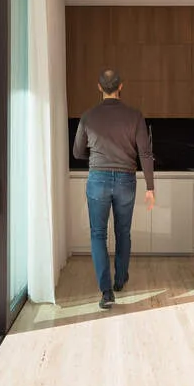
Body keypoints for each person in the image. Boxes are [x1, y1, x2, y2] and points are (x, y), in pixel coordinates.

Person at [72, 68, 155, 309]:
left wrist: (96, 153)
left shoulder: (88, 116)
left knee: (98, 234)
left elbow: (77, 152)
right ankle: (120, 279)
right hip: (126, 180)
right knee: (123, 232)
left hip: (97, 178)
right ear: (121, 86)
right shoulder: (135, 116)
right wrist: (150, 187)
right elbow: (145, 153)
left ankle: (106, 292)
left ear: (99, 87)